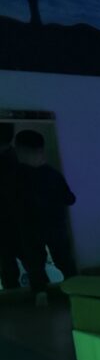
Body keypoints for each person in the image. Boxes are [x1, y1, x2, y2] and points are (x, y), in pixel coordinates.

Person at [15, 129, 77, 280]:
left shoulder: (17, 176)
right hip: (56, 227)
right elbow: (70, 199)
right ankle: (75, 288)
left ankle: (41, 291)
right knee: (65, 262)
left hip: (30, 229)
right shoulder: (53, 174)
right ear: (41, 151)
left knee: (35, 266)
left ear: (20, 152)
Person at [0, 122, 23, 290]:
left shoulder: (10, 160)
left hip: (8, 221)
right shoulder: (17, 157)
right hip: (19, 220)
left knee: (8, 265)